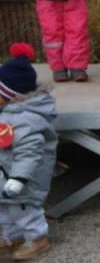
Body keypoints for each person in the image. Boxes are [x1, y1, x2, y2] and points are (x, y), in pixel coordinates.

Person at [0, 44, 57, 260]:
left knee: (25, 209)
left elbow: (29, 151)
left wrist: (19, 177)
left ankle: (37, 238)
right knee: (5, 210)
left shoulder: (25, 120)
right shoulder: (5, 114)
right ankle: (10, 236)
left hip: (23, 179)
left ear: (9, 95)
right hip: (4, 174)